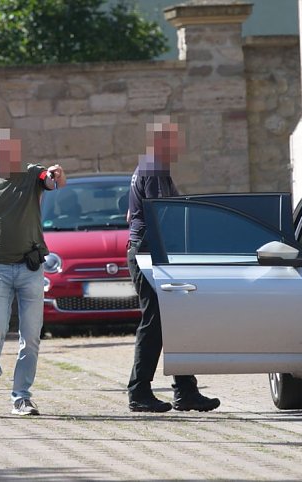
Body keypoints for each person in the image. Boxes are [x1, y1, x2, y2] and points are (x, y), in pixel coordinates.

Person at [0, 128, 65, 416]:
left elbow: (54, 183)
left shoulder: (33, 174)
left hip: (30, 267)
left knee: (31, 336)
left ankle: (21, 397)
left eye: (12, 150)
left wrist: (57, 175)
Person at [126, 116, 221, 413]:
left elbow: (134, 215)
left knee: (173, 320)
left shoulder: (153, 167)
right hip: (148, 254)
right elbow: (162, 215)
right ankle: (139, 392)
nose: (179, 145)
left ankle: (185, 391)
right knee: (154, 323)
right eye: (174, 139)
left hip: (152, 252)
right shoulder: (153, 167)